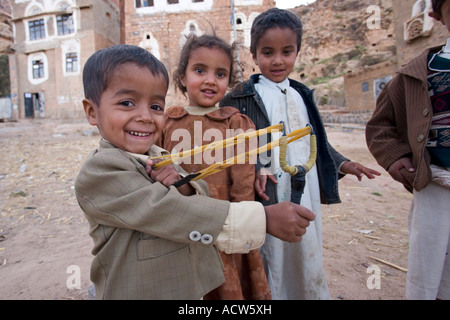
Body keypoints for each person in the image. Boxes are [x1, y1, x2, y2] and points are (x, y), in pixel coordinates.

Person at [75, 44, 316, 300]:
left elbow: (197, 188)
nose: (145, 116)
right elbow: (166, 210)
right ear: (92, 111)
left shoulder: (158, 154)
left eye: (156, 106)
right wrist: (263, 219)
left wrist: (183, 183)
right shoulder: (100, 170)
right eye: (126, 103)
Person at [220, 8, 380, 300]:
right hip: (268, 191)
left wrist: (344, 163)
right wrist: (255, 168)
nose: (278, 60)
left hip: (306, 189)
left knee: (307, 247)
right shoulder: (240, 96)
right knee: (271, 254)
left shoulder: (301, 94)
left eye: (287, 51)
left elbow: (314, 142)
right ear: (254, 55)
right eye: (268, 52)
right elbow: (234, 144)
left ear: (298, 52)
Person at [160, 34, 271, 300]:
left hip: (223, 220)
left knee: (224, 284)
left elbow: (244, 180)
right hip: (176, 220)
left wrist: (240, 221)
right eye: (200, 70)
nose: (211, 79)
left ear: (229, 81)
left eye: (220, 73)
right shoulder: (166, 122)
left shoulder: (236, 124)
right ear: (183, 78)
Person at [366, 0, 450, 300]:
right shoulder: (415, 73)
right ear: (436, 14)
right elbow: (380, 126)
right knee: (429, 266)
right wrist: (397, 158)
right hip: (435, 184)